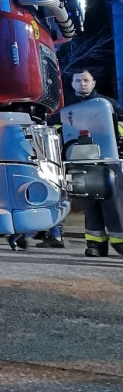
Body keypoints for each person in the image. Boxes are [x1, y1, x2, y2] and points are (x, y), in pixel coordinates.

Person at [50, 68, 123, 256]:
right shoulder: (66, 110)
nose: (82, 83)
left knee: (113, 203)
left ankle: (120, 241)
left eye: (86, 80)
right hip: (79, 162)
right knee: (89, 204)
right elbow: (55, 130)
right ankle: (95, 245)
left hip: (107, 161)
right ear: (72, 84)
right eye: (78, 80)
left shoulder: (108, 104)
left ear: (93, 83)